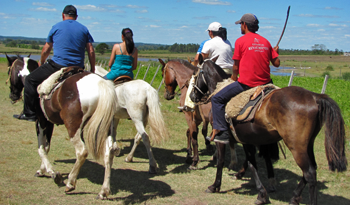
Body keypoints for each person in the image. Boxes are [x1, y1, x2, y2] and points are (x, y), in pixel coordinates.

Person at [13, 5, 95, 121]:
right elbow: (91, 50)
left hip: (58, 65)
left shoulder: (56, 27)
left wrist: (41, 62)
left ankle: (29, 113)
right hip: (78, 67)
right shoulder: (84, 29)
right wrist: (92, 69)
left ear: (63, 15)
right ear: (76, 17)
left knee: (30, 80)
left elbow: (46, 49)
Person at [212, 13, 280, 144]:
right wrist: (276, 52)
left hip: (247, 84)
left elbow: (236, 66)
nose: (240, 28)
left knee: (217, 98)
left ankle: (222, 131)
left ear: (244, 25)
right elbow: (276, 64)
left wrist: (233, 78)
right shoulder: (266, 42)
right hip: (266, 84)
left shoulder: (240, 41)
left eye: (240, 25)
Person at [179, 22, 234, 112]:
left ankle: (189, 105)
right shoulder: (227, 42)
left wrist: (194, 65)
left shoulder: (209, 43)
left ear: (211, 32)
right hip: (229, 72)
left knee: (193, 79)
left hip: (216, 72)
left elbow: (199, 58)